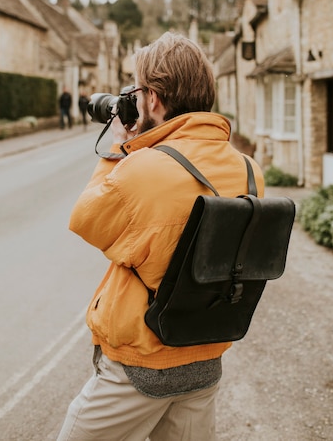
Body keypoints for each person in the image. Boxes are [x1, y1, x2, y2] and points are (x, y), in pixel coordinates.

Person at [57, 32, 264, 441]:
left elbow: (86, 219)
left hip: (142, 364)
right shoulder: (247, 168)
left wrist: (119, 146)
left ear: (152, 99)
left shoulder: (142, 168)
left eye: (137, 91)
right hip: (206, 356)